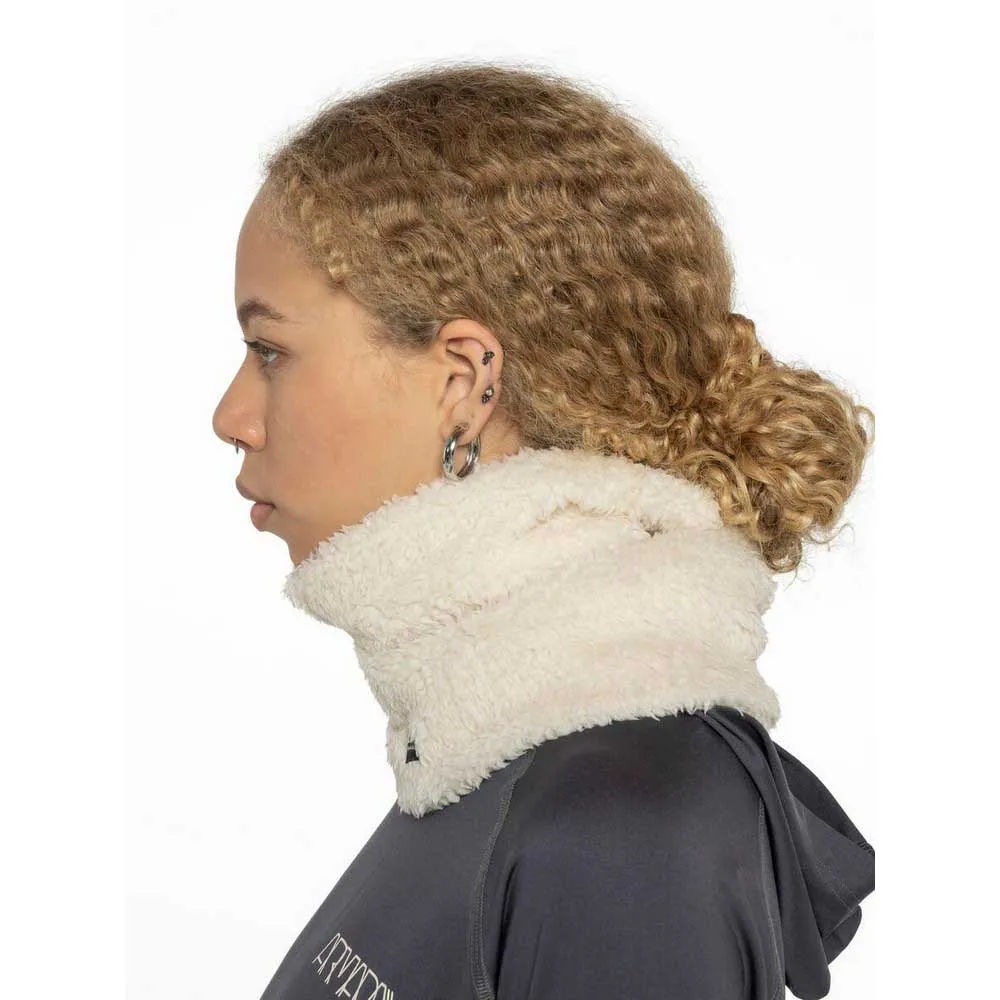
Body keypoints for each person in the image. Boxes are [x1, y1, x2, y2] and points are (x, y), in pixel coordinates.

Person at [213, 61, 875, 1000]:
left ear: (464, 380)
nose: (232, 416)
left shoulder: (622, 825)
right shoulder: (494, 748)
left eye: (269, 350)